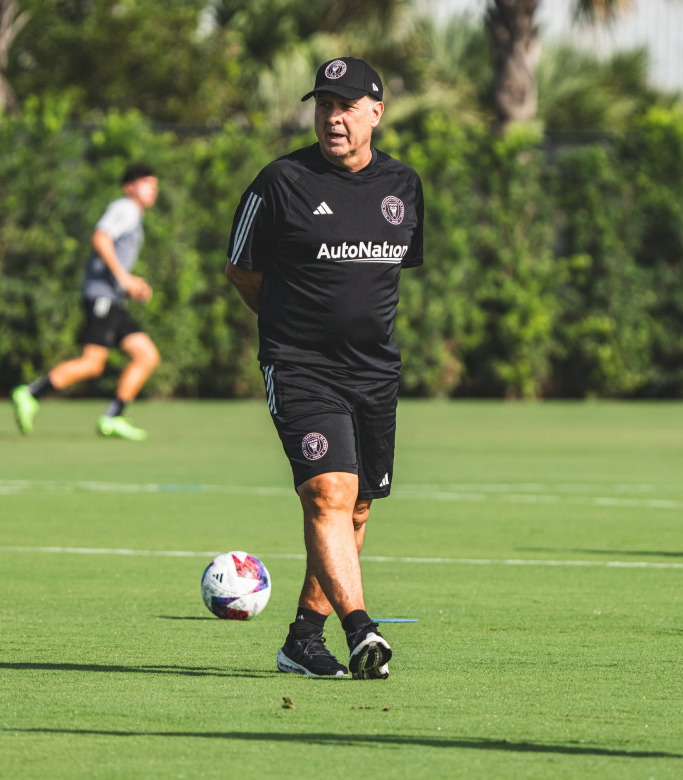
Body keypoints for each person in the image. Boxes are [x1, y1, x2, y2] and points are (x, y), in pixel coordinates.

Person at [225, 57, 424, 679]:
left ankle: (302, 641)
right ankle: (362, 629)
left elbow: (386, 279)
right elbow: (241, 268)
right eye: (322, 106)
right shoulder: (278, 182)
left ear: (376, 113)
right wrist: (290, 329)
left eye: (344, 106)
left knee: (358, 507)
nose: (332, 118)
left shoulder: (404, 187)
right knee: (328, 493)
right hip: (301, 366)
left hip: (375, 373)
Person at [11, 163, 161, 441]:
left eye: (154, 183)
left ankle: (113, 417)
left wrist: (130, 283)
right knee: (92, 362)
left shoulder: (134, 215)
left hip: (113, 299)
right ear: (130, 187)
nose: (153, 188)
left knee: (146, 355)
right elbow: (100, 238)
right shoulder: (125, 208)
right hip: (102, 297)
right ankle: (31, 394)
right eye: (146, 182)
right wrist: (124, 279)